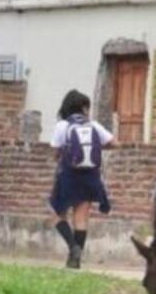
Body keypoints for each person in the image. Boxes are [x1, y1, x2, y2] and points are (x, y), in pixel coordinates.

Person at [49, 89, 115, 269]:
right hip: (90, 177)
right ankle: (74, 263)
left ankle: (73, 247)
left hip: (69, 176)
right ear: (83, 108)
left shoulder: (62, 125)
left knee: (56, 215)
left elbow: (55, 151)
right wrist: (95, 147)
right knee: (81, 218)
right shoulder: (93, 125)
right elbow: (114, 142)